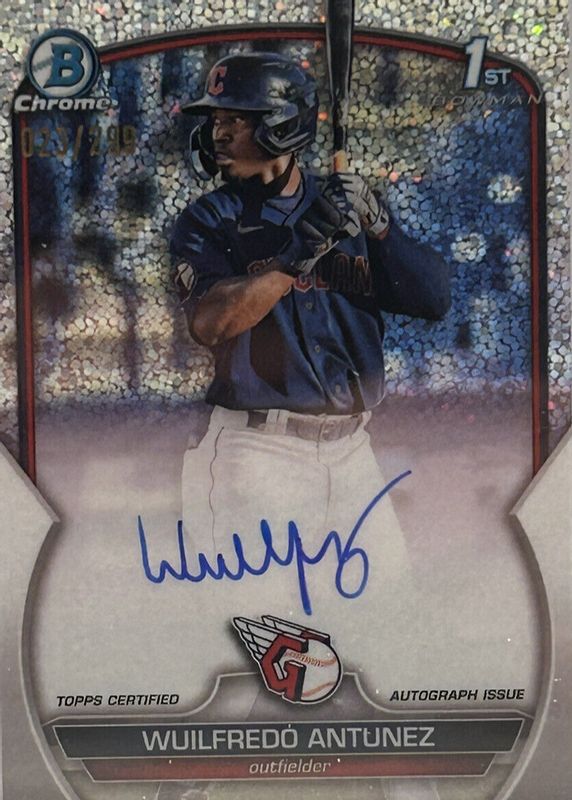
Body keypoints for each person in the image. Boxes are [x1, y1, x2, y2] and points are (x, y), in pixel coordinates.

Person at [164, 50, 449, 800]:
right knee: (262, 641)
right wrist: (295, 253)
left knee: (388, 620)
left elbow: (433, 298)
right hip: (257, 449)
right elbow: (213, 321)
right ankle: (195, 783)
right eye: (217, 120)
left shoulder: (344, 205)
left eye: (236, 119)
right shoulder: (208, 220)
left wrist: (379, 230)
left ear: (283, 126)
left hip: (353, 453)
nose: (219, 132)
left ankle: (403, 785)